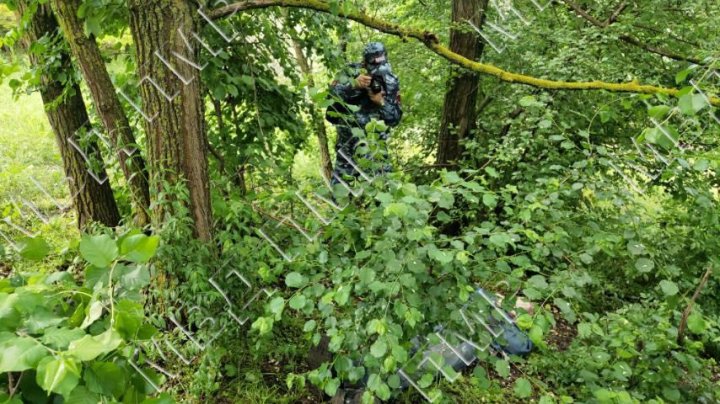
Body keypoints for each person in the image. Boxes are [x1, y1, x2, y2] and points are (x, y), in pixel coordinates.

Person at [325, 42, 403, 185]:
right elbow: (330, 113)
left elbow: (395, 119)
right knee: (340, 193)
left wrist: (381, 102)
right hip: (348, 148)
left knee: (383, 191)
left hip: (376, 149)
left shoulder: (390, 81)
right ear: (364, 62)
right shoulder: (348, 74)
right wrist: (351, 86)